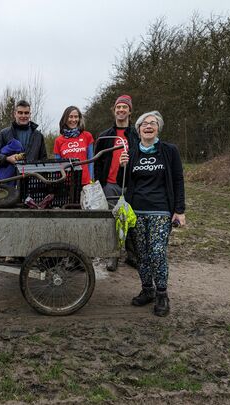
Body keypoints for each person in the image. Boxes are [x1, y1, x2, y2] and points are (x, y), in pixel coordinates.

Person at [120, 111, 186, 317]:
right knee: (141, 254)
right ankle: (147, 290)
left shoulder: (169, 150)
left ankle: (162, 294)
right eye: (144, 124)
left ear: (158, 128)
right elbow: (122, 181)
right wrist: (122, 166)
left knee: (157, 252)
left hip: (160, 210)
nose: (148, 126)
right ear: (138, 130)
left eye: (153, 123)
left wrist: (179, 210)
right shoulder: (131, 153)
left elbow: (178, 180)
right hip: (136, 211)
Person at [94, 94, 140, 270]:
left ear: (129, 111)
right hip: (110, 185)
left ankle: (132, 255)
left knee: (131, 220)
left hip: (131, 185)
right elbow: (97, 162)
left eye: (124, 107)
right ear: (114, 111)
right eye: (118, 107)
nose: (121, 110)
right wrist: (99, 183)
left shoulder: (135, 135)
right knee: (111, 221)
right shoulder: (106, 136)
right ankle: (112, 255)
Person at [0, 100, 47, 173]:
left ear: (30, 114)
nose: (23, 116)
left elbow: (44, 160)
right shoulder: (4, 133)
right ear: (15, 114)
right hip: (9, 180)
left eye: (26, 113)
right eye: (20, 113)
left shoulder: (38, 136)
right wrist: (7, 159)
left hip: (32, 179)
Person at [53, 106, 94, 185]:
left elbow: (91, 161)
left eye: (76, 117)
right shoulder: (58, 141)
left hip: (85, 182)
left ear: (79, 119)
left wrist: (91, 179)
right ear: (65, 119)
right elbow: (58, 165)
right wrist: (59, 183)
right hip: (67, 184)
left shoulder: (87, 136)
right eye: (70, 117)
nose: (73, 120)